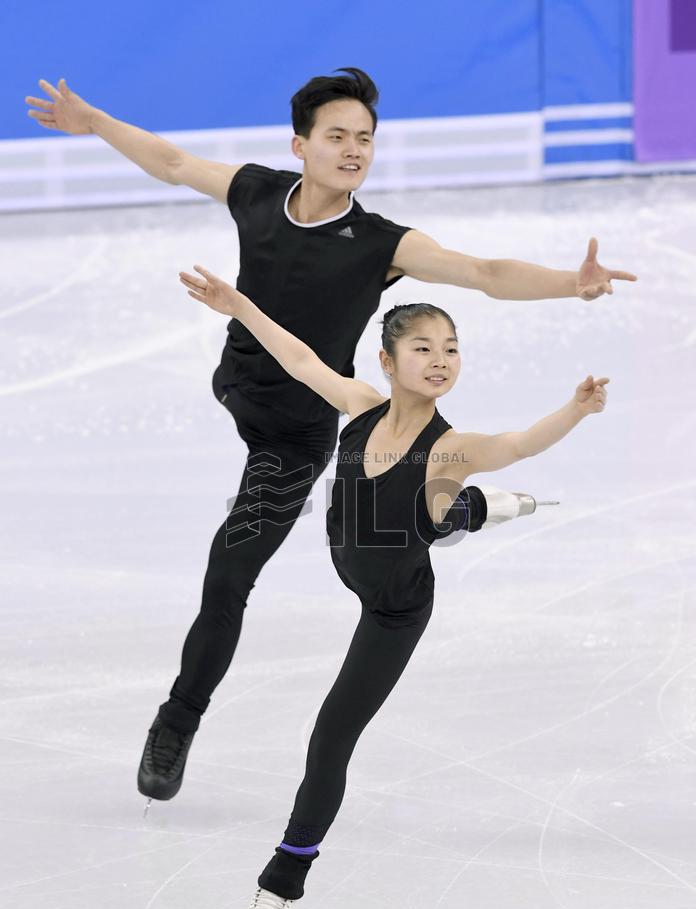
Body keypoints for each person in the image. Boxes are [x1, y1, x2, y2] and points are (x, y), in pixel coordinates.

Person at [25, 68, 634, 804]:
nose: (353, 151)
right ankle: (455, 508)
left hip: (298, 432)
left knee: (230, 571)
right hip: (241, 386)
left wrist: (572, 282)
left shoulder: (380, 243)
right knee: (357, 518)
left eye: (365, 140)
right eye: (337, 136)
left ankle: (176, 720)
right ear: (301, 145)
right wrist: (94, 121)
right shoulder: (257, 192)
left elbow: (481, 271)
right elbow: (175, 162)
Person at [177, 263, 609, 909]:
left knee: (331, 736)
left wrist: (575, 410)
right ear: (387, 360)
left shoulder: (453, 446)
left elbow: (518, 444)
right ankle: (473, 510)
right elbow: (299, 359)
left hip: (394, 605)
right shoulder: (360, 407)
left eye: (452, 349)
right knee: (439, 510)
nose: (441, 360)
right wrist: (237, 305)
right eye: (423, 348)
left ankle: (284, 878)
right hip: (366, 550)